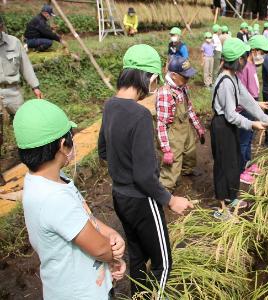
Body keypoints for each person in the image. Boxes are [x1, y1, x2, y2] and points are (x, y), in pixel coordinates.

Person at [98, 44, 193, 297]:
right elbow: (143, 176)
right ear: (148, 78)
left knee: (138, 257)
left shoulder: (109, 105)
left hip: (120, 197)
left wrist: (124, 166)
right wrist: (170, 200)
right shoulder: (140, 115)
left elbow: (104, 152)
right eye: (154, 82)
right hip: (142, 200)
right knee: (163, 264)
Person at [14, 99, 126, 299]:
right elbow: (100, 249)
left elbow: (81, 217)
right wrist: (114, 256)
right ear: (63, 146)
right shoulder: (54, 198)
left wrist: (108, 232)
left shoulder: (46, 180)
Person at [211, 38, 268, 220]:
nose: (246, 60)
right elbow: (231, 115)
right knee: (223, 166)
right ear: (238, 59)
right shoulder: (225, 81)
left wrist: (265, 118)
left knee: (233, 162)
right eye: (244, 57)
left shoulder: (233, 77)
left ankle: (232, 198)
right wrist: (252, 124)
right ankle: (221, 209)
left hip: (229, 125)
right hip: (221, 125)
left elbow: (247, 99)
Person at [156, 56, 205, 192]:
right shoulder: (166, 93)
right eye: (185, 77)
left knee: (190, 151)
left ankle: (186, 171)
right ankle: (165, 189)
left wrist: (198, 127)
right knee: (173, 162)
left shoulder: (183, 87)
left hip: (185, 127)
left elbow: (189, 108)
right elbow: (161, 124)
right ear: (173, 75)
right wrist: (166, 149)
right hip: (172, 132)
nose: (188, 79)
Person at [0, 15, 42, 151]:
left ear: (1, 27)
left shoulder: (14, 42)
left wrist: (35, 86)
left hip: (13, 91)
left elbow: (26, 66)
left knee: (25, 124)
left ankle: (32, 153)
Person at [236, 35, 268, 184]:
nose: (262, 55)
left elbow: (252, 90)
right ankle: (240, 170)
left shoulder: (252, 66)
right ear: (254, 50)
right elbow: (241, 93)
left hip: (253, 104)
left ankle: (248, 163)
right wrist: (255, 104)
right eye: (261, 51)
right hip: (245, 108)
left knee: (249, 138)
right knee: (243, 140)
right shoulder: (244, 67)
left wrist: (258, 102)